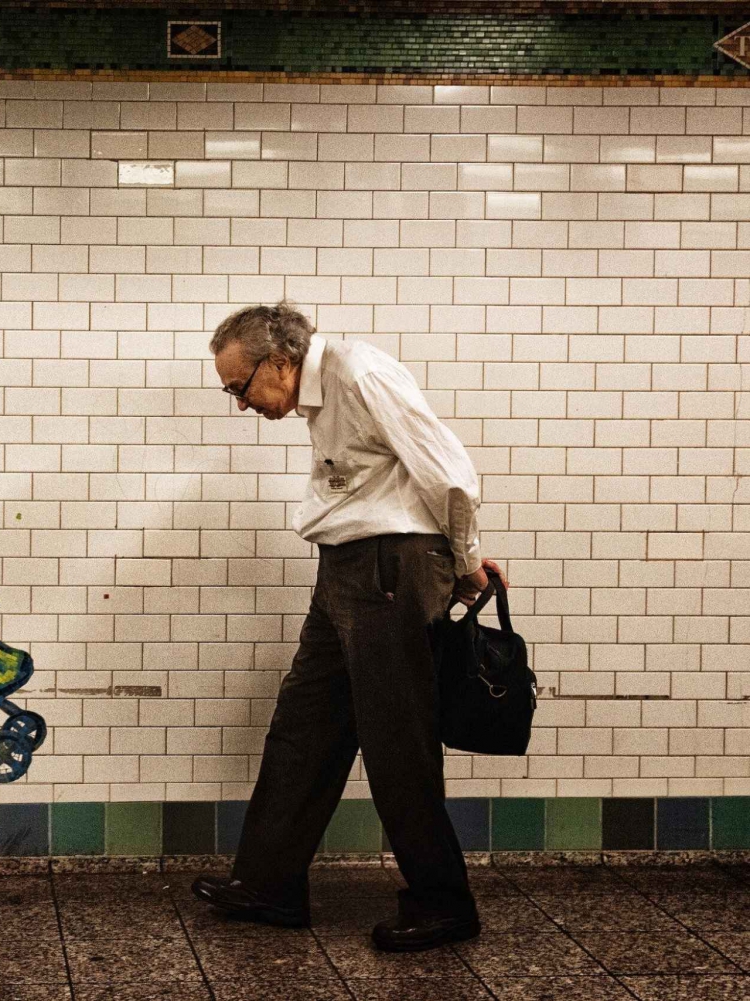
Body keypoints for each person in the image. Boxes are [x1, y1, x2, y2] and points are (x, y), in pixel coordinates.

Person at [191, 302, 505, 952]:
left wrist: (466, 561)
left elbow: (450, 472)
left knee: (396, 737)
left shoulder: (360, 373)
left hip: (390, 564)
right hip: (349, 566)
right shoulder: (319, 393)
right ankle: (268, 882)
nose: (240, 403)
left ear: (278, 361)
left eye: (239, 386)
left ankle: (443, 902)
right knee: (304, 725)